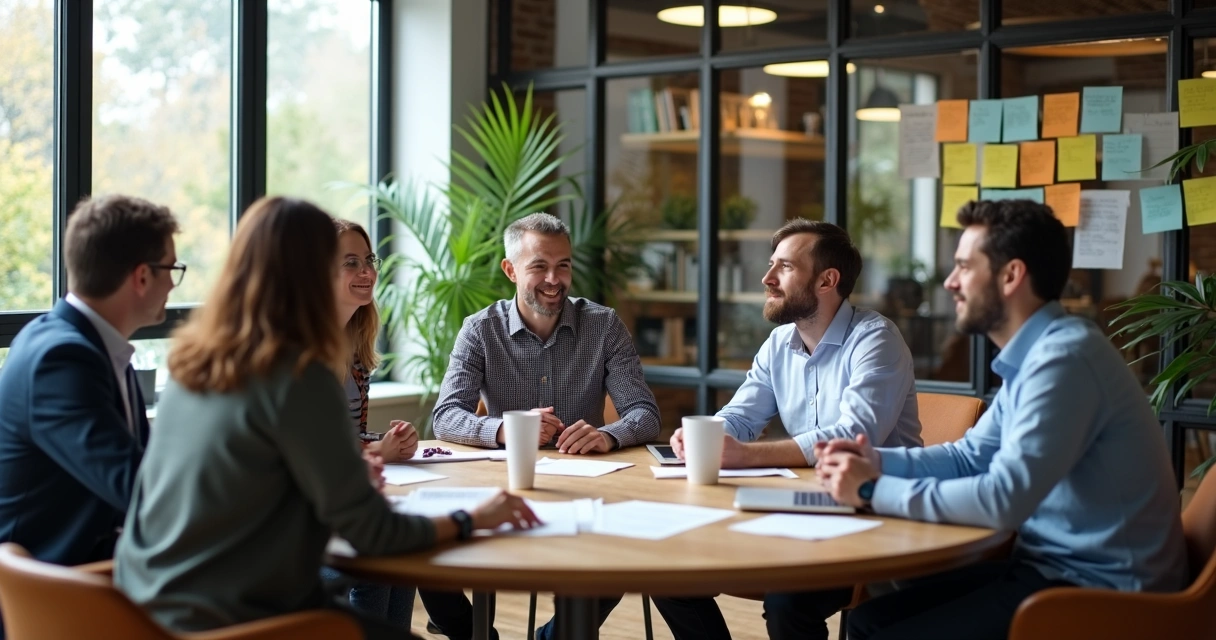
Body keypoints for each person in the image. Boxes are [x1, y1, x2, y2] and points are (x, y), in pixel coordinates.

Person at [114, 197, 539, 640]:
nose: (361, 273)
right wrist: (474, 518)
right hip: (236, 619)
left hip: (144, 605)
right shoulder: (298, 373)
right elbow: (373, 532)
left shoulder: (193, 364)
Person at [816, 199, 1188, 640]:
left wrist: (871, 488)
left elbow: (1001, 500)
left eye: (964, 267)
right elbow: (970, 456)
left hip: (1104, 594)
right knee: (866, 619)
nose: (951, 283)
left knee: (878, 631)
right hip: (1049, 569)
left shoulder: (1063, 359)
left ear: (1011, 275)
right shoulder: (1042, 353)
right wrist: (874, 460)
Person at [652, 219, 922, 640]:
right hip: (798, 506)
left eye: (785, 267)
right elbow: (741, 416)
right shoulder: (780, 344)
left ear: (826, 280)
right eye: (771, 265)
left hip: (870, 514)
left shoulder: (876, 339)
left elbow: (852, 436)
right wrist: (706, 434)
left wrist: (746, 455)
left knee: (787, 602)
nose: (767, 278)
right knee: (668, 569)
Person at [424, 212, 661, 640]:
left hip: (587, 491)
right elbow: (446, 416)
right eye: (539, 266)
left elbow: (644, 413)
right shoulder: (479, 330)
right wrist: (506, 430)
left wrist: (607, 434)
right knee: (424, 556)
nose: (554, 279)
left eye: (563, 265)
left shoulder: (603, 325)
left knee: (619, 563)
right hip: (502, 492)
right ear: (511, 269)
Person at [331, 218, 419, 629]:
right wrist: (373, 451)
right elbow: (312, 451)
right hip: (307, 527)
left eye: (369, 259)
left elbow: (344, 436)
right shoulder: (302, 353)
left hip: (344, 503)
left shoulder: (354, 344)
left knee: (403, 557)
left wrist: (384, 440)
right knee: (383, 557)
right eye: (351, 262)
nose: (367, 271)